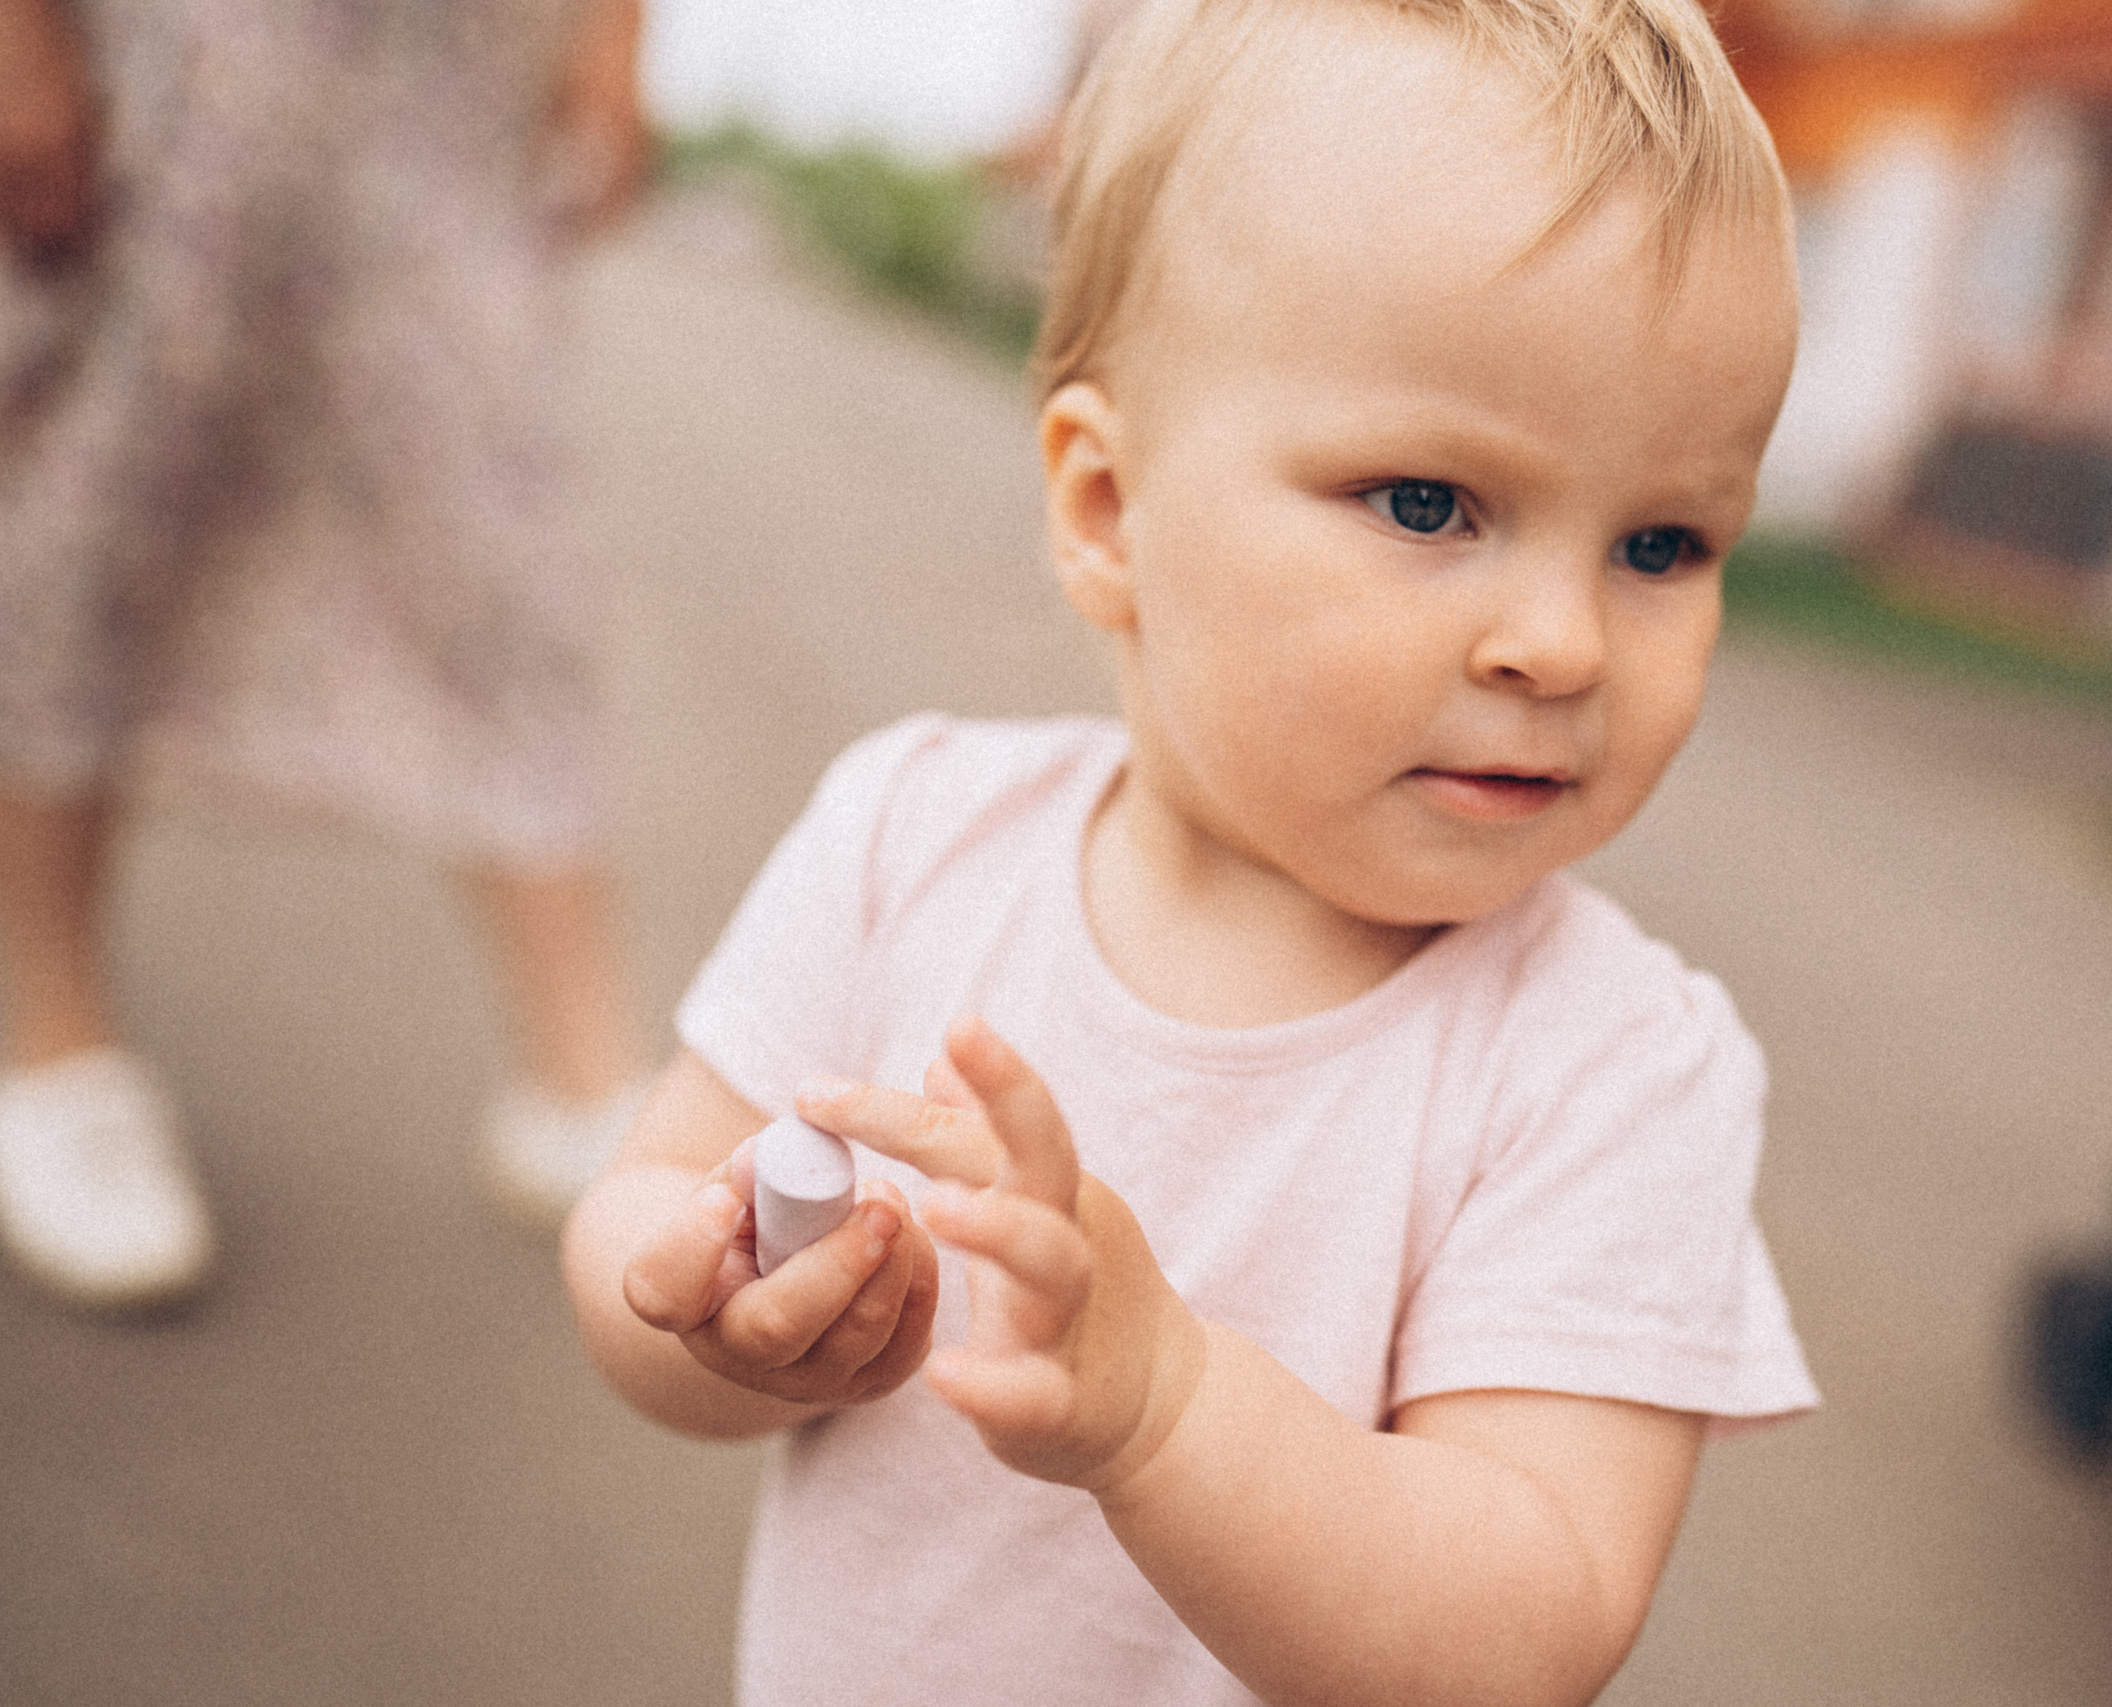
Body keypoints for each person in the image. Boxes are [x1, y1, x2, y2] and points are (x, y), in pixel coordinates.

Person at [564, 0, 1815, 1700]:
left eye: (1661, 541)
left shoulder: (1612, 1067)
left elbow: (1530, 1627)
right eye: (1431, 504)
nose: (1565, 643)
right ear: (1107, 510)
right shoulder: (914, 834)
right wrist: (718, 1317)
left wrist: (1166, 1410)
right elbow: (645, 1210)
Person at [0, 0, 655, 1308]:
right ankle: (51, 1046)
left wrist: (617, 36)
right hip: (183, 56)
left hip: (445, 75)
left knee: (493, 548)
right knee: (107, 500)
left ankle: (589, 1079)